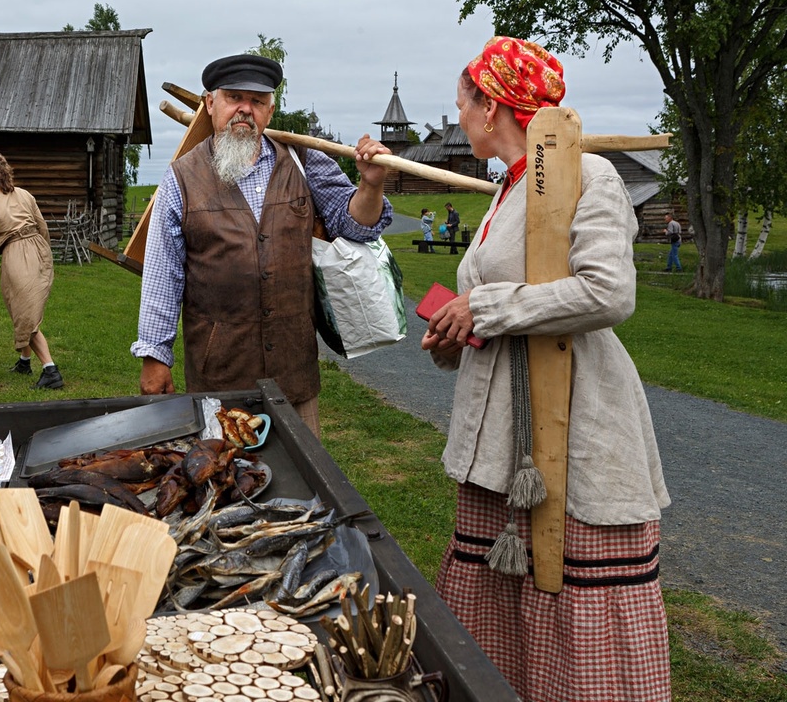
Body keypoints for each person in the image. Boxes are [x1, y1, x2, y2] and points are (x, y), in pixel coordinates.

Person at [421, 37, 671, 700]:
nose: (458, 117)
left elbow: (608, 292)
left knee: (568, 591)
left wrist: (488, 306)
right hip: (501, 440)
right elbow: (496, 307)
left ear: (493, 105)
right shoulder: (507, 188)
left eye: (463, 104)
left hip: (574, 428)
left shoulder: (590, 176)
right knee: (500, 598)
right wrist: (456, 332)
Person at [132, 54, 392, 434]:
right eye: (234, 97)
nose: (244, 109)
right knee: (220, 485)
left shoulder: (304, 163)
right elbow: (162, 275)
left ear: (270, 110)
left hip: (294, 378)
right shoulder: (181, 179)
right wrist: (155, 357)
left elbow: (356, 226)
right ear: (210, 104)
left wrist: (371, 184)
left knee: (302, 488)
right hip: (218, 381)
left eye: (256, 101)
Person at [0, 149, 64, 390]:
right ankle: (24, 361)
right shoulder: (24, 194)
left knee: (25, 315)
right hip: (39, 250)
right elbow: (42, 226)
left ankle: (50, 371)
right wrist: (44, 257)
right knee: (23, 309)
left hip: (16, 254)